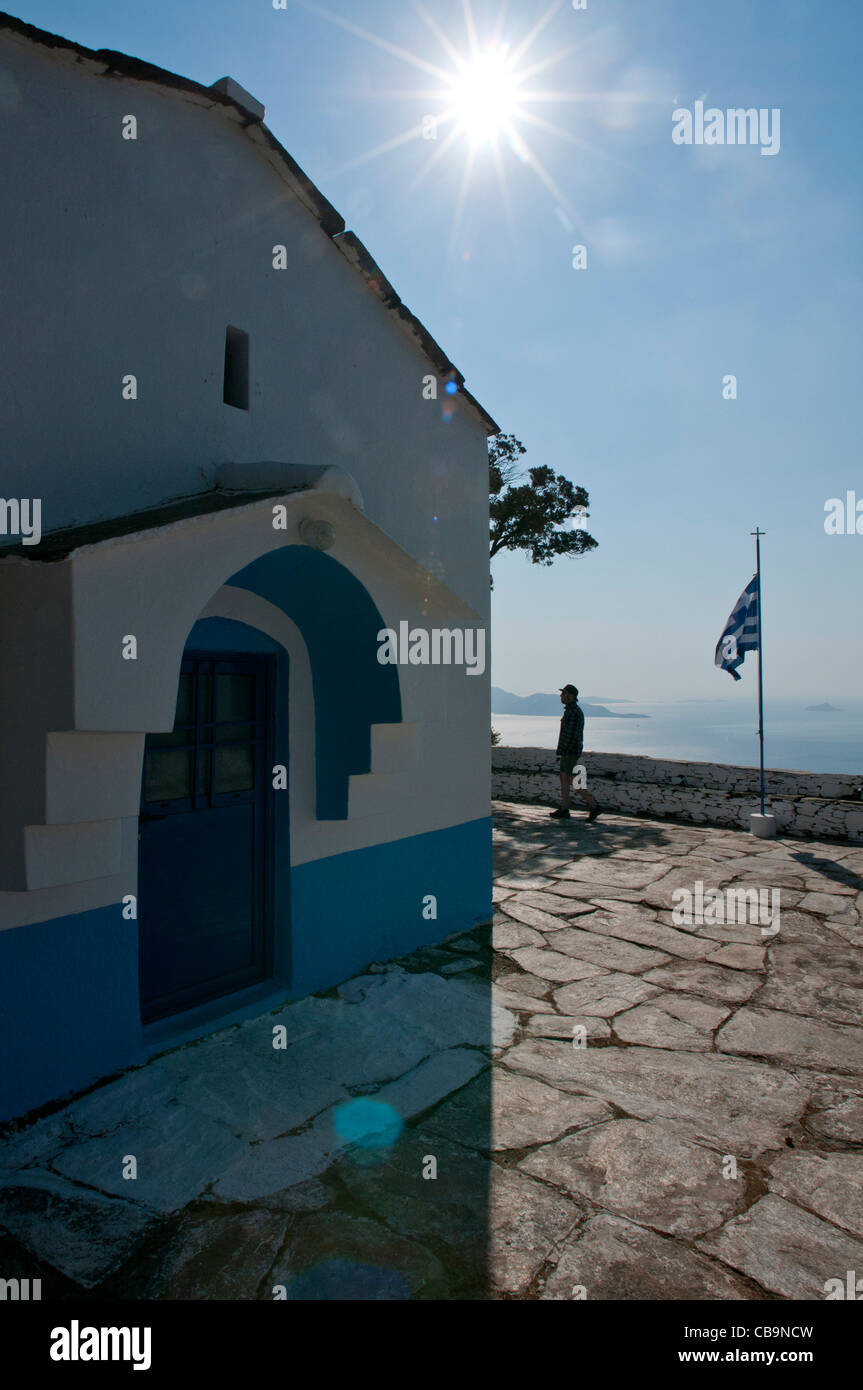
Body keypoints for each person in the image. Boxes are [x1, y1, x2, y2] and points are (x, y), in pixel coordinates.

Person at [549, 684, 601, 821]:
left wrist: (565, 752)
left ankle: (593, 805)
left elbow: (571, 735)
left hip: (570, 752)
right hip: (568, 751)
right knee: (565, 779)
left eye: (563, 694)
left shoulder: (573, 712)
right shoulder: (571, 711)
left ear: (570, 696)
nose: (561, 696)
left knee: (571, 779)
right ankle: (564, 808)